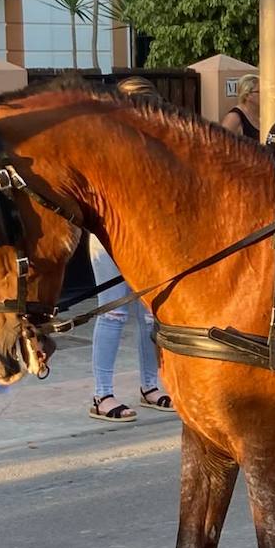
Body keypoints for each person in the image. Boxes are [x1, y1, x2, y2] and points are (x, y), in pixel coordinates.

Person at [87, 77, 176, 423]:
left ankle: (151, 386)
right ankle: (101, 393)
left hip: (146, 235)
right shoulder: (106, 145)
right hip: (110, 234)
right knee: (112, 312)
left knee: (151, 314)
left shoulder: (155, 144)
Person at [221, 73, 261, 140]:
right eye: (260, 91)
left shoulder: (263, 114)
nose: (265, 94)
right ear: (247, 95)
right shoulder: (234, 118)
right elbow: (221, 143)